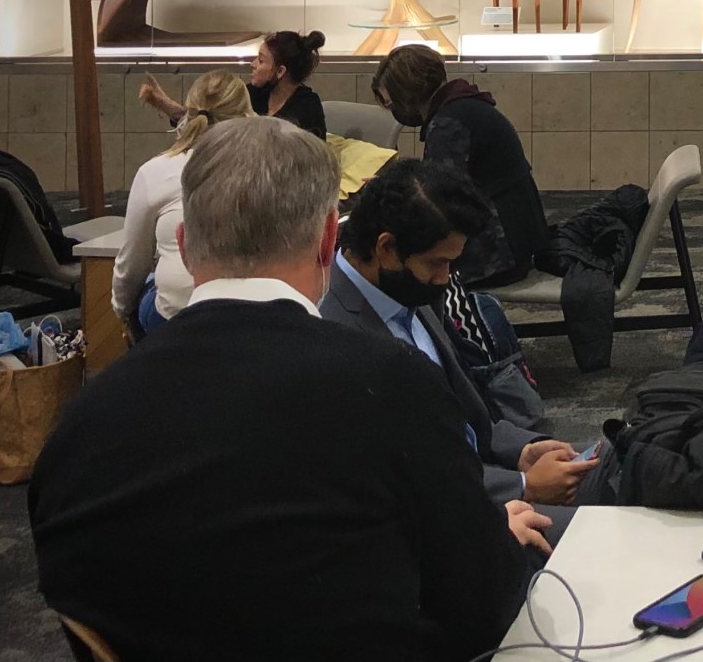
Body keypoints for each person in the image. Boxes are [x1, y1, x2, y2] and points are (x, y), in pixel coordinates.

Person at [30, 117, 547, 662]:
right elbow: (478, 611)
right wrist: (497, 544)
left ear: (184, 246)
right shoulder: (392, 384)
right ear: (328, 239)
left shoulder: (76, 427)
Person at [322, 158, 596, 522]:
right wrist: (522, 486)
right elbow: (404, 475)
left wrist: (520, 450)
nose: (445, 278)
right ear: (386, 249)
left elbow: (465, 416)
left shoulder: (409, 288)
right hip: (445, 516)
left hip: (484, 478)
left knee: (620, 472)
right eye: (437, 263)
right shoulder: (331, 331)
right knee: (608, 532)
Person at [372, 44, 550, 287]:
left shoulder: (448, 124)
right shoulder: (467, 106)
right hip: (521, 242)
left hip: (497, 256)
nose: (393, 109)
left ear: (406, 94)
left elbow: (437, 198)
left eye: (391, 103)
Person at [110, 69, 253, 335]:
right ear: (247, 116)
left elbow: (131, 262)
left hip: (176, 314)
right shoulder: (269, 168)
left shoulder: (157, 171)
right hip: (259, 314)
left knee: (150, 284)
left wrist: (122, 312)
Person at [137, 28, 329, 140]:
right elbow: (207, 120)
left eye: (261, 60)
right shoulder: (253, 93)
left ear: (280, 71)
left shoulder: (307, 106)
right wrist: (164, 103)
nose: (253, 64)